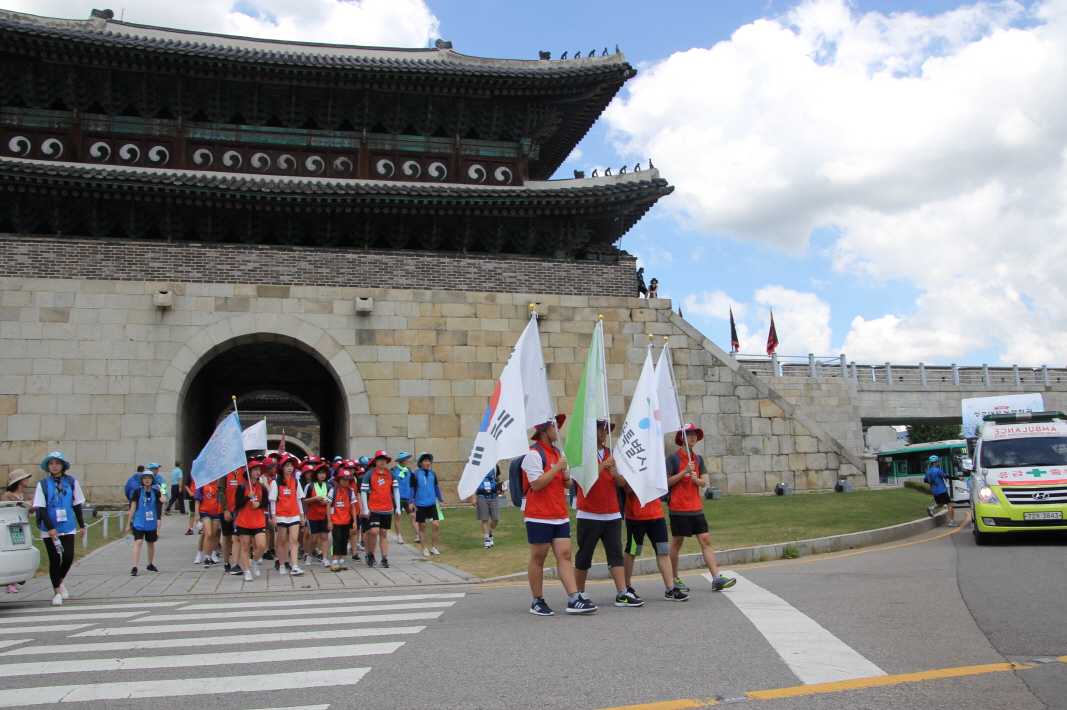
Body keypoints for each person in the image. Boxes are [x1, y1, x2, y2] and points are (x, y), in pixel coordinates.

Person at [522, 414, 596, 616]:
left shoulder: (558, 452)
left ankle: (574, 597)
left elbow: (568, 484)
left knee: (564, 555)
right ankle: (537, 600)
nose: (558, 430)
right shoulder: (533, 454)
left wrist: (566, 476)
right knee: (539, 557)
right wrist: (557, 468)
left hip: (559, 513)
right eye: (554, 426)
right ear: (544, 430)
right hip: (539, 514)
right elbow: (536, 484)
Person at [574, 420, 642, 608]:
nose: (604, 432)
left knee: (615, 554)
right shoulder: (584, 454)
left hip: (612, 512)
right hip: (589, 512)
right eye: (600, 428)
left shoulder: (611, 454)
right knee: (585, 554)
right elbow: (584, 478)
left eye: (606, 429)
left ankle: (622, 592)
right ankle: (579, 593)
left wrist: (616, 474)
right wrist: (604, 464)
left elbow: (622, 483)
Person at [666, 424, 736, 593]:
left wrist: (696, 479)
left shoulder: (698, 459)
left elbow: (703, 482)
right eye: (689, 434)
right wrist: (684, 472)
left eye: (695, 435)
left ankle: (716, 577)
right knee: (677, 542)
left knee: (706, 540)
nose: (693, 437)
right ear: (681, 437)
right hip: (679, 507)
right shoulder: (673, 458)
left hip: (696, 506)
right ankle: (674, 578)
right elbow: (667, 482)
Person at [621, 455, 688, 603]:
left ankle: (670, 588)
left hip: (656, 515)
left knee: (663, 550)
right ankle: (626, 586)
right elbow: (626, 488)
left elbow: (663, 483)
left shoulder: (655, 460)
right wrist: (641, 476)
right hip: (636, 517)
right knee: (632, 550)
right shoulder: (630, 461)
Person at [32, 453, 86, 606]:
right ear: (48, 466)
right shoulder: (42, 484)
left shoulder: (71, 482)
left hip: (67, 525)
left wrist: (81, 524)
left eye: (57, 463)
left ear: (63, 465)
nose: (54, 466)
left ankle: (60, 581)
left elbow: (76, 504)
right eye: (51, 463)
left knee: (68, 556)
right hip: (50, 526)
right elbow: (41, 507)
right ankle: (56, 592)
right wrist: (50, 527)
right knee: (55, 559)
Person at [360, 451, 400, 569]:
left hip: (387, 508)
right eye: (380, 459)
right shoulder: (369, 474)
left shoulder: (391, 474)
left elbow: (396, 490)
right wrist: (366, 508)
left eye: (384, 459)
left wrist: (397, 507)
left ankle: (384, 557)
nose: (382, 462)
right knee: (373, 532)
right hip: (374, 508)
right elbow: (363, 491)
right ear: (375, 461)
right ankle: (371, 554)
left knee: (383, 533)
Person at [269, 453, 306, 576]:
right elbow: (272, 501)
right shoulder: (276, 482)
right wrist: (273, 516)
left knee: (294, 540)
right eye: (287, 465)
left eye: (291, 465)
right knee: (282, 541)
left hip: (294, 514)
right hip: (281, 515)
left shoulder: (295, 481)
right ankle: (282, 563)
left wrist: (301, 515)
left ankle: (295, 565)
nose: (289, 468)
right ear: (282, 468)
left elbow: (298, 499)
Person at [234, 457, 270, 582]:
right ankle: (246, 571)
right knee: (245, 546)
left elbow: (266, 502)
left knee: (261, 545)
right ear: (249, 471)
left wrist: (259, 504)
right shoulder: (242, 486)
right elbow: (237, 504)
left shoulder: (262, 487)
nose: (257, 471)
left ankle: (254, 562)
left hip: (258, 520)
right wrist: (247, 498)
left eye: (259, 469)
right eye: (255, 469)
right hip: (244, 520)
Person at [3, 469, 32, 593]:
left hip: (23, 526)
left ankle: (18, 577)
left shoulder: (26, 495)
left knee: (23, 551)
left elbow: (31, 510)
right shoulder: (8, 495)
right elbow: (6, 509)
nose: (28, 480)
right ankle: (8, 582)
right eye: (25, 478)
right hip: (10, 527)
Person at [126, 471, 161, 576]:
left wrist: (162, 490)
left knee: (151, 543)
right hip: (139, 521)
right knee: (138, 542)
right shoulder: (137, 492)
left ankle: (150, 564)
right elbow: (132, 508)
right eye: (144, 478)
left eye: (149, 478)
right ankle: (134, 566)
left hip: (151, 522)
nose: (147, 480)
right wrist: (128, 524)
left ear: (152, 480)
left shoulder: (156, 492)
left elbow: (163, 500)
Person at [409, 453, 443, 557]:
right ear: (421, 463)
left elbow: (436, 487)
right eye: (425, 461)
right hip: (420, 505)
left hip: (432, 504)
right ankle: (424, 548)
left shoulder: (433, 474)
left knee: (435, 525)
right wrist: (411, 502)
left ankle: (434, 547)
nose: (428, 463)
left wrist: (440, 500)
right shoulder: (415, 474)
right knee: (422, 526)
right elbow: (412, 489)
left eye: (429, 461)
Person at [327, 468, 360, 571]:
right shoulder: (333, 490)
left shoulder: (350, 491)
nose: (345, 481)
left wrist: (354, 521)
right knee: (336, 540)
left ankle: (342, 560)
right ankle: (334, 561)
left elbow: (353, 507)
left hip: (346, 520)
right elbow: (328, 505)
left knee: (344, 540)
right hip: (336, 520)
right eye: (343, 479)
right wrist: (329, 521)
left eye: (347, 480)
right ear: (339, 480)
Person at [302, 462, 332, 568]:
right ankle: (309, 554)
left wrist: (326, 502)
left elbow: (332, 501)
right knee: (313, 538)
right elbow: (304, 501)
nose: (322, 475)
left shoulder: (328, 486)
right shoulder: (309, 486)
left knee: (324, 537)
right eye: (320, 473)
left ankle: (324, 558)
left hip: (324, 515)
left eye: (324, 473)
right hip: (312, 515)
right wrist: (314, 499)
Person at [219, 466, 243, 574]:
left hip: (238, 510)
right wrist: (225, 510)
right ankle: (226, 562)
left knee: (236, 537)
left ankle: (236, 563)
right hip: (226, 510)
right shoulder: (224, 472)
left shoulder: (243, 471)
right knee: (226, 537)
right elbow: (221, 492)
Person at [193, 476, 222, 568]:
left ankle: (210, 555)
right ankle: (205, 557)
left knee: (213, 535)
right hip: (205, 511)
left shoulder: (219, 483)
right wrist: (196, 513)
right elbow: (197, 499)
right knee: (208, 534)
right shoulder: (203, 483)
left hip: (216, 512)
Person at [472, 465, 501, 548]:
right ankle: (487, 539)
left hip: (493, 495)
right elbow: (474, 484)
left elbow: (499, 480)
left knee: (496, 518)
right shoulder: (477, 468)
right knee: (485, 519)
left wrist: (500, 488)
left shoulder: (495, 467)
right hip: (482, 495)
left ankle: (490, 533)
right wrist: (473, 498)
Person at [392, 452, 418, 545]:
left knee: (413, 516)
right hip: (397, 497)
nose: (408, 460)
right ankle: (399, 536)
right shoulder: (394, 470)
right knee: (398, 516)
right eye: (406, 459)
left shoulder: (409, 470)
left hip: (408, 497)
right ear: (402, 460)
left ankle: (418, 535)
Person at [925, 455, 956, 526]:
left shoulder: (928, 471)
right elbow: (947, 476)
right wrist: (958, 478)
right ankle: (952, 521)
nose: (938, 463)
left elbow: (926, 480)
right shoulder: (937, 471)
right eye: (937, 461)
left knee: (940, 504)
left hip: (934, 491)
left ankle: (931, 508)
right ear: (935, 462)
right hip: (941, 490)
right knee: (950, 504)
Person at [145, 463, 167, 534]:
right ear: (151, 469)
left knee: (158, 515)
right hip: (149, 498)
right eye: (155, 469)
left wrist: (165, 497)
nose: (157, 470)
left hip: (158, 498)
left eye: (157, 469)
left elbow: (164, 488)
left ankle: (156, 531)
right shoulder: (146, 479)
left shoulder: (160, 478)